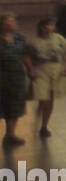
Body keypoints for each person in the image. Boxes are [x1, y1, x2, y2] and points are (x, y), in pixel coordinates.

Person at [28, 18, 66, 138]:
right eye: (49, 25)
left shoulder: (59, 38)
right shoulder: (33, 41)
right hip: (41, 70)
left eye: (52, 25)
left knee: (50, 97)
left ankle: (44, 126)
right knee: (43, 96)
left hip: (56, 71)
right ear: (42, 27)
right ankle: (41, 104)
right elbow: (27, 56)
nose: (51, 27)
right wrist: (31, 69)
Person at [0, 14, 35, 147]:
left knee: (15, 106)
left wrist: (30, 69)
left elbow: (25, 55)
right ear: (3, 24)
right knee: (4, 105)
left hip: (17, 77)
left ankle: (10, 134)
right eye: (11, 21)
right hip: (2, 78)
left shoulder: (20, 38)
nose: (15, 23)